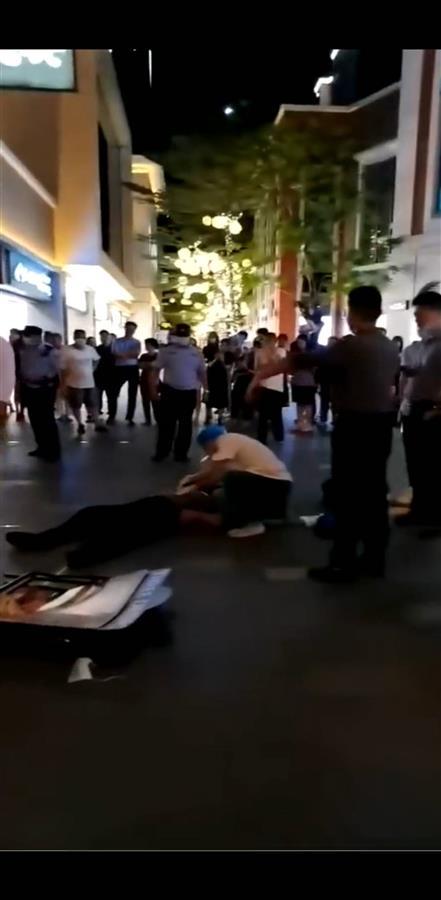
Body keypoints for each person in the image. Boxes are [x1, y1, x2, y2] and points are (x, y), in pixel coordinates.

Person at [248, 286, 400, 582]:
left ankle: (342, 562)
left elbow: (301, 361)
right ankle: (374, 560)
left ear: (352, 312)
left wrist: (260, 375)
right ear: (378, 311)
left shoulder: (351, 346)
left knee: (347, 494)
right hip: (381, 424)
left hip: (354, 425)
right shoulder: (388, 346)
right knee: (373, 493)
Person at [5, 492, 220, 569]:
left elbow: (199, 514)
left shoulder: (166, 502)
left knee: (78, 524)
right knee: (116, 541)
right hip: (137, 525)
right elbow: (205, 518)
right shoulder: (173, 511)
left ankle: (38, 541)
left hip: (113, 514)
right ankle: (81, 556)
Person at [180, 425, 292, 538]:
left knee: (231, 478)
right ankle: (249, 516)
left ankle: (250, 523)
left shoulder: (225, 441)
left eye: (205, 448)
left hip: (273, 485)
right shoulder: (234, 443)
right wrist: (192, 479)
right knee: (223, 486)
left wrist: (195, 486)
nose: (207, 452)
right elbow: (212, 470)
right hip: (277, 486)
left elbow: (216, 475)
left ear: (209, 443)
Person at [397, 291, 441, 533]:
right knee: (417, 464)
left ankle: (434, 517)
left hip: (432, 411)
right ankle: (419, 510)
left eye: (419, 313)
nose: (416, 318)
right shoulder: (423, 345)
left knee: (432, 466)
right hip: (414, 410)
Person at [150, 323, 207, 462]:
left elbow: (202, 373)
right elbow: (156, 370)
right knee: (166, 424)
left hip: (188, 393)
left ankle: (181, 454)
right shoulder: (165, 351)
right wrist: (153, 389)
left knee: (185, 424)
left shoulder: (196, 353)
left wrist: (206, 389)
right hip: (170, 391)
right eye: (178, 334)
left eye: (184, 335)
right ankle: (162, 452)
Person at [18, 326, 61, 461]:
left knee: (47, 419)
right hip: (29, 388)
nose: (25, 339)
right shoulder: (22, 350)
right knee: (35, 419)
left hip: (45, 389)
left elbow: (58, 369)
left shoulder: (48, 350)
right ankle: (41, 447)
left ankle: (53, 451)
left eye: (28, 336)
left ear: (37, 337)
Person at [59, 330, 107, 436]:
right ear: (74, 337)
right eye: (78, 337)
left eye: (82, 337)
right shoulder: (67, 350)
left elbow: (97, 360)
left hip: (89, 382)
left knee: (92, 403)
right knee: (76, 404)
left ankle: (97, 422)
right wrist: (63, 383)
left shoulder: (90, 349)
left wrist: (93, 368)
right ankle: (80, 423)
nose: (80, 339)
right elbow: (62, 368)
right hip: (74, 383)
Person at [108, 321, 141, 426]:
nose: (130, 330)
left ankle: (130, 417)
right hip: (119, 368)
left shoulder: (136, 342)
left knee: (132, 393)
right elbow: (114, 353)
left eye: (132, 329)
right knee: (113, 392)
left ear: (134, 330)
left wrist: (122, 355)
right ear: (125, 328)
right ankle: (111, 415)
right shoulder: (117, 341)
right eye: (128, 328)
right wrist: (127, 355)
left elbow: (135, 354)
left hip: (132, 368)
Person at [255, 332, 285, 444]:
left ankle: (278, 436)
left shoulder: (281, 351)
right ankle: (263, 438)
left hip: (276, 387)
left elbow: (280, 366)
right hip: (264, 386)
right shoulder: (260, 352)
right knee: (264, 415)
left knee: (276, 414)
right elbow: (257, 368)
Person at [290, 336, 316, 433]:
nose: (300, 344)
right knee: (300, 404)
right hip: (299, 382)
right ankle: (301, 423)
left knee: (307, 404)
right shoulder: (296, 355)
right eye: (299, 342)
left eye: (302, 342)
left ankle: (307, 423)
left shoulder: (310, 355)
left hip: (307, 382)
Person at [317, 336, 339, 428]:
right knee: (324, 401)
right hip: (325, 381)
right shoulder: (324, 354)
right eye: (330, 342)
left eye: (333, 342)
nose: (331, 344)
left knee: (335, 403)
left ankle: (334, 420)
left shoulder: (340, 355)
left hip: (336, 383)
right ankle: (323, 418)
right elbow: (320, 368)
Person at [205, 345, 229, 425]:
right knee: (212, 401)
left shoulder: (221, 364)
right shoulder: (214, 363)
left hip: (218, 385)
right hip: (215, 385)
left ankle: (217, 417)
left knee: (215, 402)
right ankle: (211, 416)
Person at [139, 338, 160, 425]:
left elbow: (158, 366)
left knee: (155, 400)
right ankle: (147, 420)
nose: (147, 346)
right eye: (146, 345)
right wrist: (151, 365)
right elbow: (140, 366)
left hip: (155, 379)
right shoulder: (144, 356)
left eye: (148, 345)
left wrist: (147, 365)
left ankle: (158, 419)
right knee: (145, 400)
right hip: (144, 379)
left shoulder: (158, 356)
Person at [94, 329, 114, 417]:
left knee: (111, 396)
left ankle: (111, 413)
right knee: (98, 395)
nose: (103, 338)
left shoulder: (113, 349)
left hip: (110, 376)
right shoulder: (97, 349)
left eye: (105, 336)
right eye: (102, 336)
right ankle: (98, 410)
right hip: (99, 376)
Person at [9, 328, 25, 421]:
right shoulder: (19, 347)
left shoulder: (15, 347)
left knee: (18, 392)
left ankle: (19, 410)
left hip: (18, 372)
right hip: (19, 373)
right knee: (20, 392)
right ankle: (20, 411)